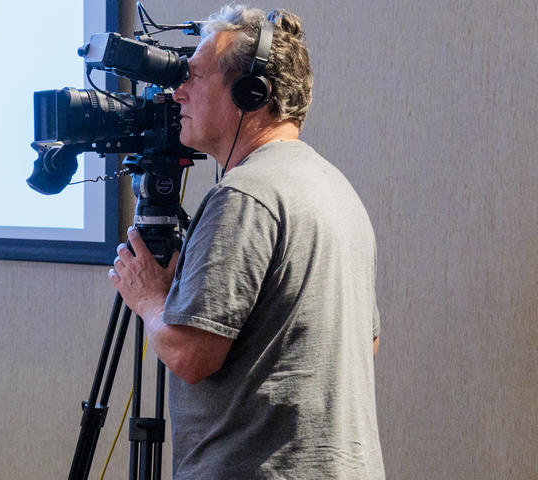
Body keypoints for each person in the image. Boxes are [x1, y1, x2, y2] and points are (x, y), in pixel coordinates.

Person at [107, 5, 384, 478]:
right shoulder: (334, 186)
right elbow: (368, 342)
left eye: (194, 77)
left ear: (249, 92)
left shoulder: (243, 195)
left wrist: (151, 298)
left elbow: (191, 356)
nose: (177, 94)